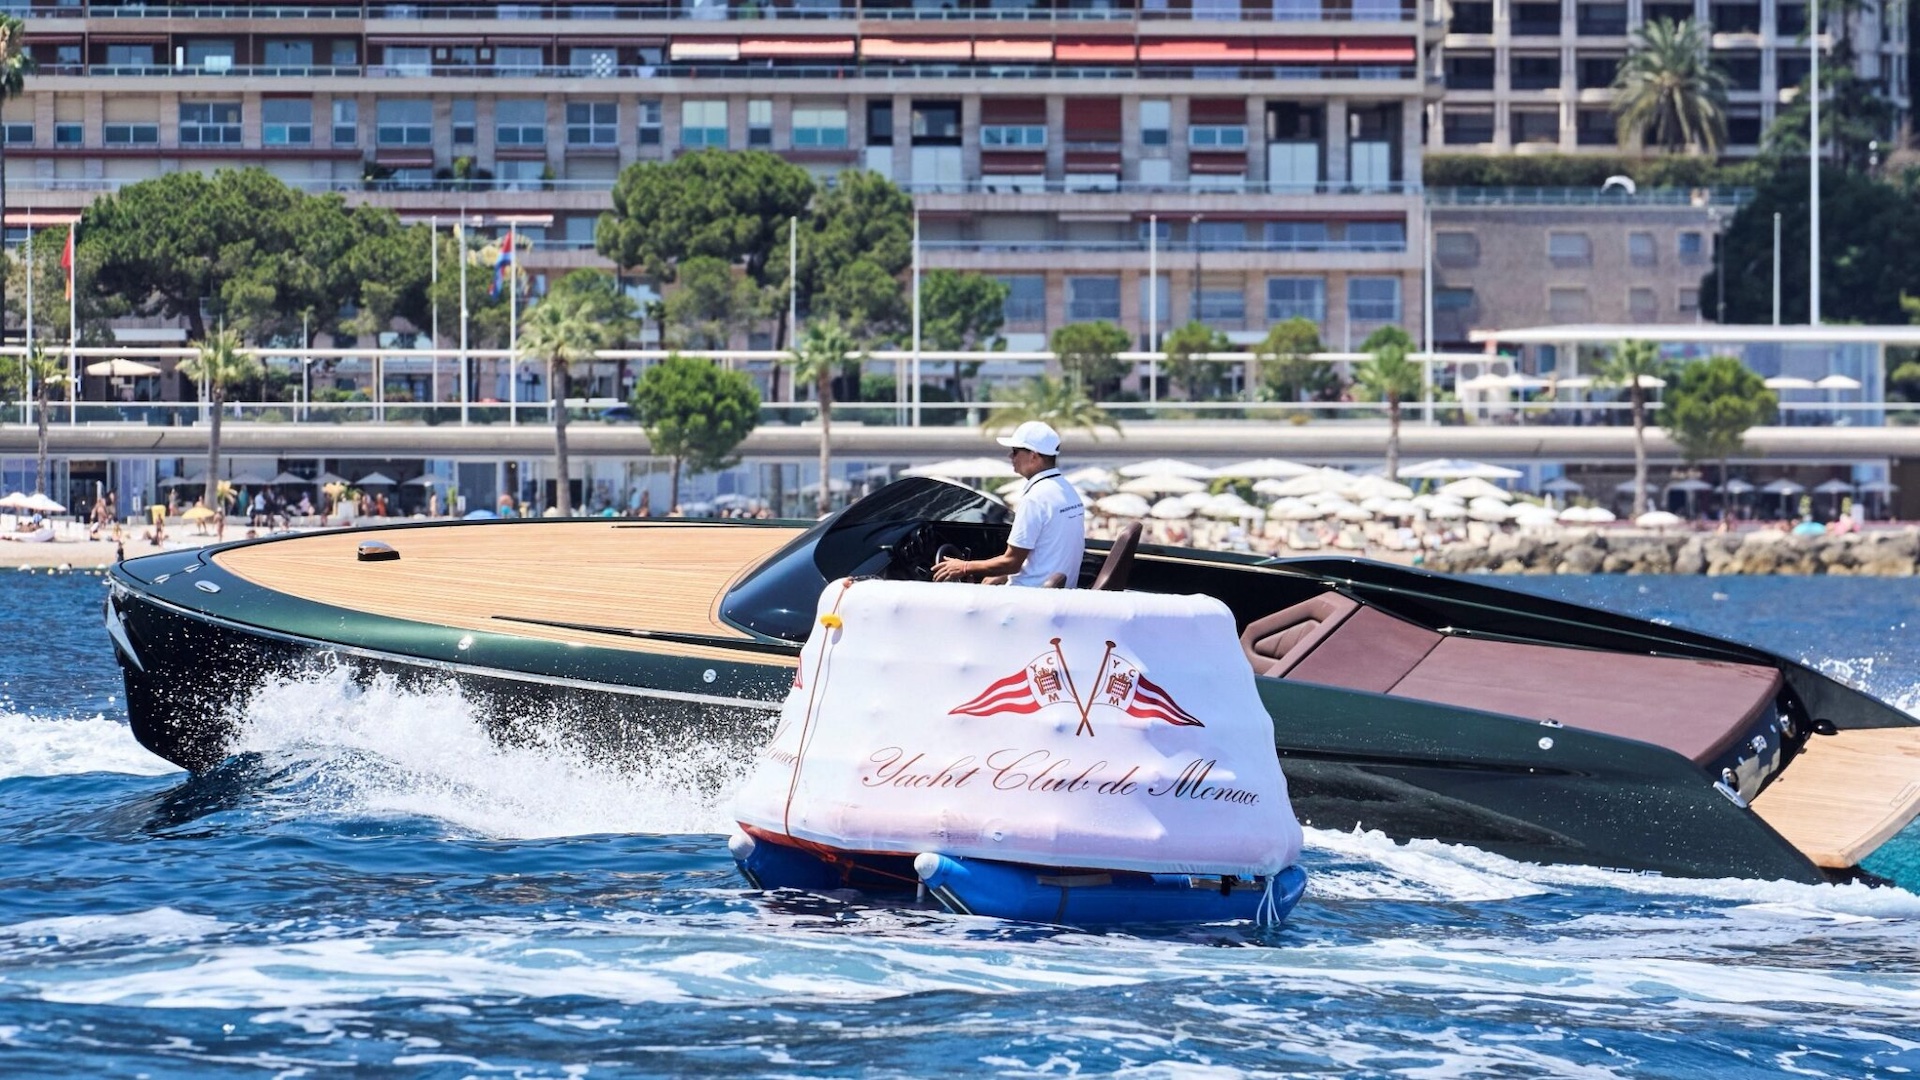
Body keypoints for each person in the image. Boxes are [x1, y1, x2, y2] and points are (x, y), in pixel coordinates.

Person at [933, 420, 1086, 587]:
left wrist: (964, 567)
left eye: (1015, 451)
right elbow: (1046, 552)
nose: (1010, 456)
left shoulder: (1035, 498)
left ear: (1033, 456)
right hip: (1056, 592)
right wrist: (1002, 575)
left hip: (1029, 595)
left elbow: (1012, 563)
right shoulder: (1068, 491)